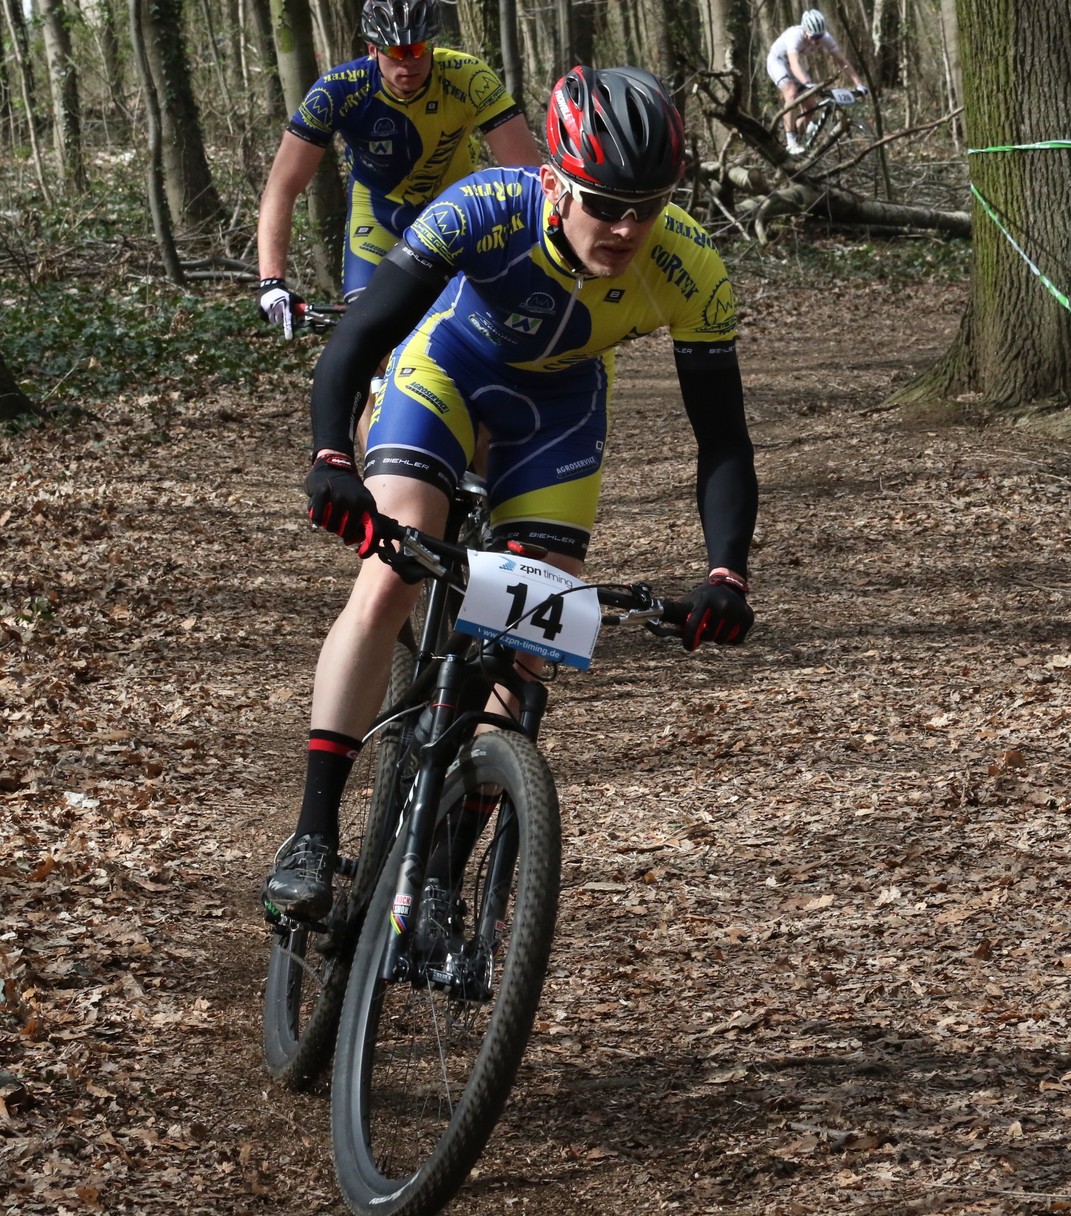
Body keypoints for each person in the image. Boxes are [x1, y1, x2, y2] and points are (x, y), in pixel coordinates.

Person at [263, 65, 759, 921]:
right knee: (394, 570)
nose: (626, 226)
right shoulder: (484, 208)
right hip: (444, 373)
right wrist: (331, 456)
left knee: (529, 644)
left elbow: (721, 441)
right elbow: (361, 337)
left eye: (646, 205)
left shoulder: (688, 266)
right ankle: (312, 832)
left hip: (555, 417)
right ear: (555, 180)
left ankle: (446, 865)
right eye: (604, 203)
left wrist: (726, 573)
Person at [257, 0, 540, 337]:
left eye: (419, 48)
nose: (409, 62)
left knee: (475, 335)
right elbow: (282, 186)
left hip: (457, 215)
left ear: (433, 43)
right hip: (379, 217)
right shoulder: (338, 90)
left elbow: (530, 181)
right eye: (395, 50)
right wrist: (271, 281)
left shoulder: (469, 78)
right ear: (373, 49)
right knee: (369, 337)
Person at [766, 9, 867, 155]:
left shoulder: (825, 37)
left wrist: (859, 83)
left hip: (794, 66)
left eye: (819, 36)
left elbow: (841, 61)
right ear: (805, 31)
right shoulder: (794, 35)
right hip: (778, 61)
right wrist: (808, 83)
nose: (817, 41)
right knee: (791, 92)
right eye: (813, 37)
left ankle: (798, 142)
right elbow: (794, 64)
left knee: (810, 107)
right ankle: (791, 142)